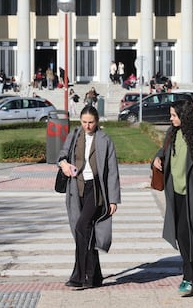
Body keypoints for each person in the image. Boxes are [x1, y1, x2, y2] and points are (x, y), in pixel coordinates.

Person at [152, 99, 193, 296]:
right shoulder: (171, 134)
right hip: (175, 194)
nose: (171, 119)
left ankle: (189, 278)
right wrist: (156, 157)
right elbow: (163, 152)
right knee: (182, 236)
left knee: (191, 237)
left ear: (184, 116)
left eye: (174, 115)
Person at [58, 105, 121, 289]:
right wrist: (64, 164)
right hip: (77, 188)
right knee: (87, 232)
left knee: (81, 227)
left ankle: (80, 276)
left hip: (96, 189)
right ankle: (95, 276)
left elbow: (112, 171)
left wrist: (113, 199)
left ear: (97, 121)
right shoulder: (75, 135)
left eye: (91, 122)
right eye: (84, 122)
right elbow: (61, 156)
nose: (87, 126)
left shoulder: (104, 140)